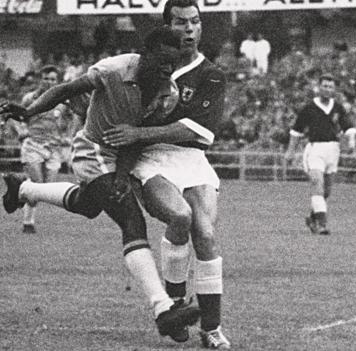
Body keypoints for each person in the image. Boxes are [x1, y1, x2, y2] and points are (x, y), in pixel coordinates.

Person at [0, 26, 202, 342]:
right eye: (162, 61)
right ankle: (163, 310)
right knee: (131, 219)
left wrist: (121, 174)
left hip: (120, 156)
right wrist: (29, 111)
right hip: (92, 150)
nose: (167, 70)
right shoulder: (114, 69)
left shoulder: (167, 93)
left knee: (88, 205)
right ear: (145, 55)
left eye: (172, 64)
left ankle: (22, 189)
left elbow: (138, 138)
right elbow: (66, 89)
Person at [102, 0, 230, 348]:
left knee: (205, 233)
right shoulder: (142, 69)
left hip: (192, 158)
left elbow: (200, 131)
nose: (189, 29)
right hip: (151, 159)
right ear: (166, 26)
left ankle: (212, 328)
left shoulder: (212, 74)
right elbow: (106, 96)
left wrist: (139, 132)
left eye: (195, 22)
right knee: (180, 216)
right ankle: (175, 308)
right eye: (181, 22)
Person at [285, 74, 356, 235]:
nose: (327, 89)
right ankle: (322, 224)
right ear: (319, 87)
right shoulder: (309, 108)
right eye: (324, 86)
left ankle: (312, 218)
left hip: (333, 150)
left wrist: (351, 142)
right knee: (317, 183)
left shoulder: (338, 107)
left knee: (326, 191)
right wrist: (290, 151)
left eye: (330, 87)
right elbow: (296, 131)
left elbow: (348, 127)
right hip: (315, 149)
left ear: (334, 89)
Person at [8, 65, 75, 233]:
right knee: (37, 184)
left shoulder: (63, 101)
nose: (49, 82)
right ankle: (28, 224)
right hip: (33, 145)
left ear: (57, 81)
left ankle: (17, 186)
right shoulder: (30, 98)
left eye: (52, 79)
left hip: (54, 148)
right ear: (40, 79)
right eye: (46, 78)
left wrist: (69, 135)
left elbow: (75, 118)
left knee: (45, 187)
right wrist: (21, 130)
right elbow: (16, 116)